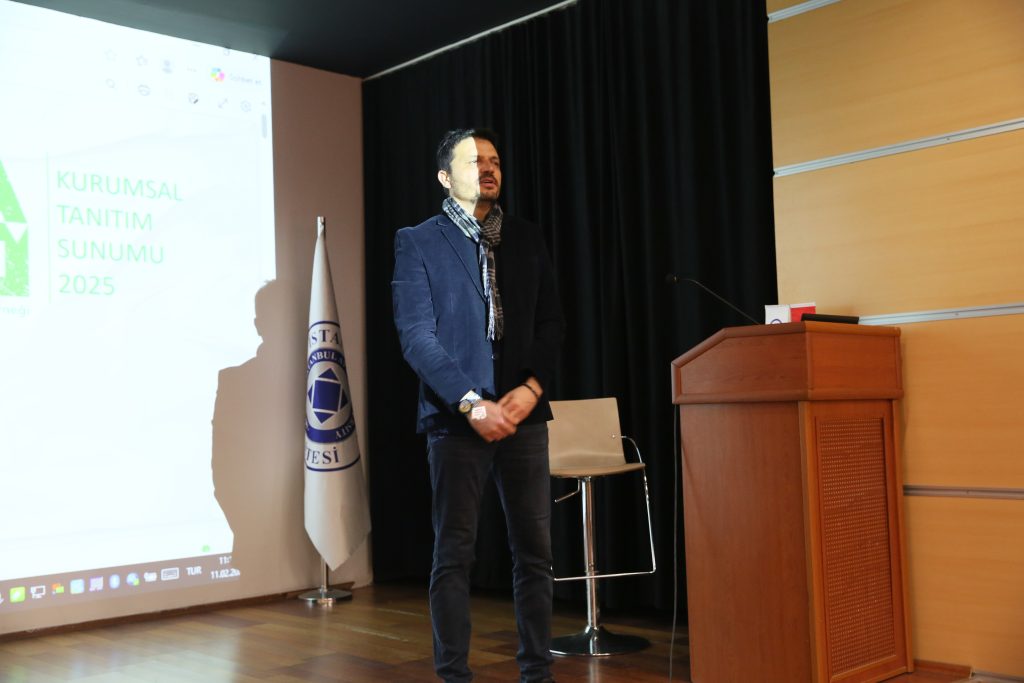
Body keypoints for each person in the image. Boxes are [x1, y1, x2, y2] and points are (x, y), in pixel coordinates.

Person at [392, 128, 564, 683]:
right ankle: (454, 675)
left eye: (494, 160)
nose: (488, 168)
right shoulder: (419, 241)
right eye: (474, 161)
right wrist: (470, 403)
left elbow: (551, 324)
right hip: (455, 419)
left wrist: (531, 389)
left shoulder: (527, 238)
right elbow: (417, 337)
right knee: (454, 555)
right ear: (446, 177)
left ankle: (537, 672)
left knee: (535, 555)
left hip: (523, 416)